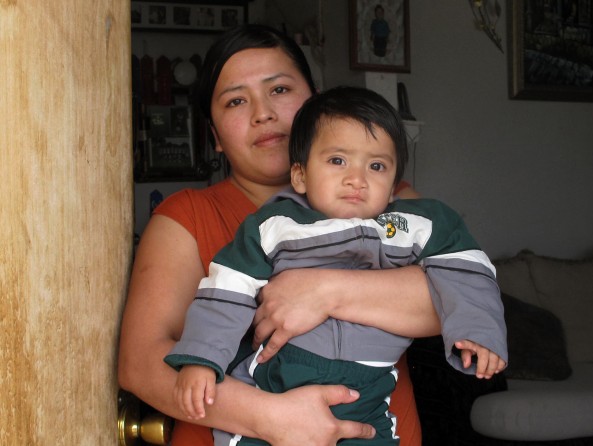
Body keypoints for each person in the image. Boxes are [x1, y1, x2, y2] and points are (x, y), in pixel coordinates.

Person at [118, 25, 436, 446]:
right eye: (235, 100)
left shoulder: (389, 202)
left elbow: (456, 298)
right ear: (214, 136)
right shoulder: (186, 217)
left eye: (280, 90)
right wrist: (270, 417)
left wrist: (323, 291)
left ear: (317, 102)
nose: (262, 112)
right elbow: (140, 364)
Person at [165, 86, 508, 446]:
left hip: (367, 393)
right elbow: (225, 291)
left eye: (376, 166)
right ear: (300, 175)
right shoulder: (274, 227)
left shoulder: (406, 226)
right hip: (280, 379)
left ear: (393, 186)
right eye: (338, 161)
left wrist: (479, 329)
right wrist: (202, 359)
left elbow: (465, 264)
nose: (356, 179)